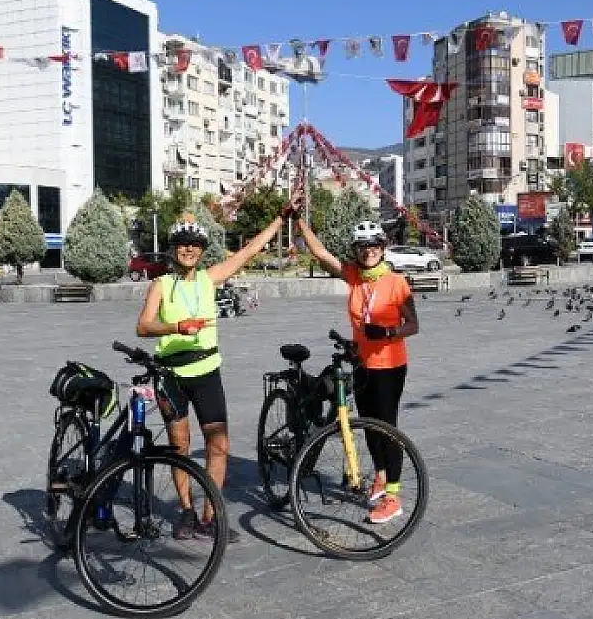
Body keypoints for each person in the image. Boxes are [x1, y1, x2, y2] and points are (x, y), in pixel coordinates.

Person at [136, 208, 285, 541]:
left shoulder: (209, 279)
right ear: (173, 249)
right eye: (182, 244)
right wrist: (176, 326)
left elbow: (249, 251)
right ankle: (187, 512)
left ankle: (210, 516)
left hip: (207, 372)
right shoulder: (160, 285)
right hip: (171, 375)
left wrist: (279, 218)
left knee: (218, 446)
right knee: (180, 447)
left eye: (194, 244)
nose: (188, 249)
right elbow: (143, 326)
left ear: (202, 250)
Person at [291, 195, 419, 524]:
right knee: (369, 428)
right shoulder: (354, 277)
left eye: (373, 245)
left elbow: (413, 325)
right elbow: (320, 254)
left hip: (389, 365)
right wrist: (298, 220)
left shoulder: (396, 283)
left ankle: (393, 496)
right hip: (362, 364)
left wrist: (388, 334)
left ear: (383, 246)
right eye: (362, 246)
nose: (367, 251)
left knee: (386, 428)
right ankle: (379, 475)